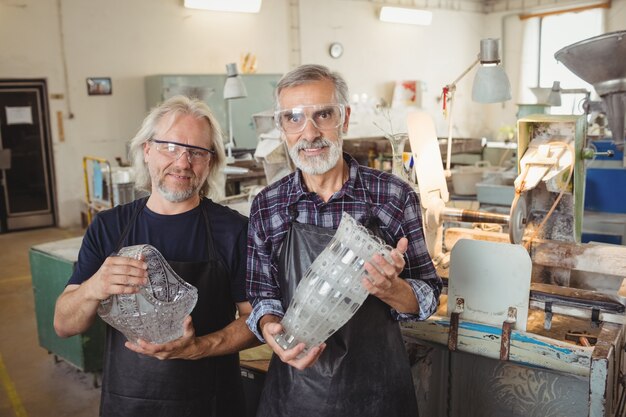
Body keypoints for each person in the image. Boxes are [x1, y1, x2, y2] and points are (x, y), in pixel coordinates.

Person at [246, 64, 443, 417]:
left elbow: (428, 296)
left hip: (377, 392)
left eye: (323, 115)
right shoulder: (268, 205)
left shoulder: (392, 196)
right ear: (282, 128)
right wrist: (270, 328)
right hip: (295, 390)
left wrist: (392, 290)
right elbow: (262, 297)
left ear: (345, 118)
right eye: (293, 118)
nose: (310, 133)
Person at [54, 95, 257, 417]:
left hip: (212, 401)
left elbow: (257, 320)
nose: (183, 162)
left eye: (197, 152)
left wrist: (199, 347)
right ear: (147, 150)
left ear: (211, 162)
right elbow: (64, 325)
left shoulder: (234, 230)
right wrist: (94, 287)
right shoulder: (110, 227)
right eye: (170, 147)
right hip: (129, 400)